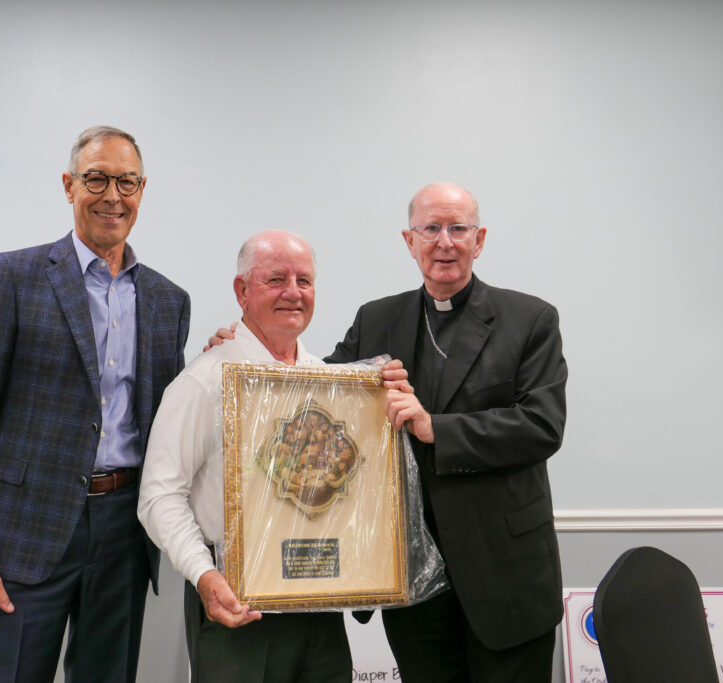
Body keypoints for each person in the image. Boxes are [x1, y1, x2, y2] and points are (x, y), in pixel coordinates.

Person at [208, 183, 567, 681]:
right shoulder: (377, 319)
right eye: (431, 229)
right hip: (410, 578)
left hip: (505, 576)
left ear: (478, 239)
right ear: (409, 240)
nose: (445, 241)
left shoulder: (529, 319)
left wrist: (434, 428)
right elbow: (310, 390)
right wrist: (244, 343)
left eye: (458, 228)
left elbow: (541, 425)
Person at [0, 125, 190, 682]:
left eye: (127, 182)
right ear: (70, 185)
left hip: (126, 529)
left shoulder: (169, 300)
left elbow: (172, 420)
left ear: (143, 191)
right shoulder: (14, 276)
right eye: (96, 178)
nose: (112, 195)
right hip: (23, 536)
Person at [139, 231, 364, 682]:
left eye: (305, 280)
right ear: (242, 291)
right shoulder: (204, 382)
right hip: (236, 605)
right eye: (276, 279)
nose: (293, 292)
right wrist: (204, 576)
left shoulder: (332, 384)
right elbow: (160, 496)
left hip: (320, 609)